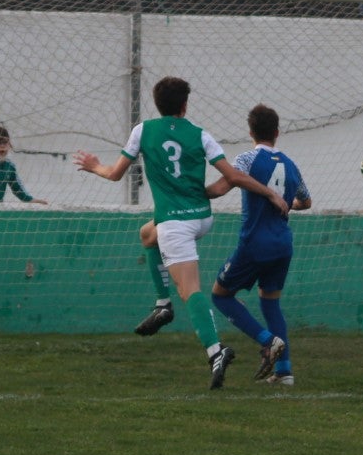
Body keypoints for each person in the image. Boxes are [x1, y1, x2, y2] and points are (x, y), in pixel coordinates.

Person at [74, 76, 289, 389]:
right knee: (148, 234)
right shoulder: (200, 135)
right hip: (201, 217)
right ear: (185, 105)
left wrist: (95, 166)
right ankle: (163, 305)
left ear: (158, 104)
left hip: (176, 224)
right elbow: (233, 176)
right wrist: (270, 194)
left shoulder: (143, 130)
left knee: (190, 290)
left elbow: (115, 173)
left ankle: (216, 351)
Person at [205, 104, 311, 386]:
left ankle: (268, 341)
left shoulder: (247, 159)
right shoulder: (291, 165)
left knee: (220, 296)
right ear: (277, 132)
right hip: (283, 244)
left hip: (255, 244)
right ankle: (284, 371)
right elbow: (306, 201)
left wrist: (191, 191)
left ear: (250, 132)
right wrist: (288, 203)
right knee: (270, 303)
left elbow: (219, 188)